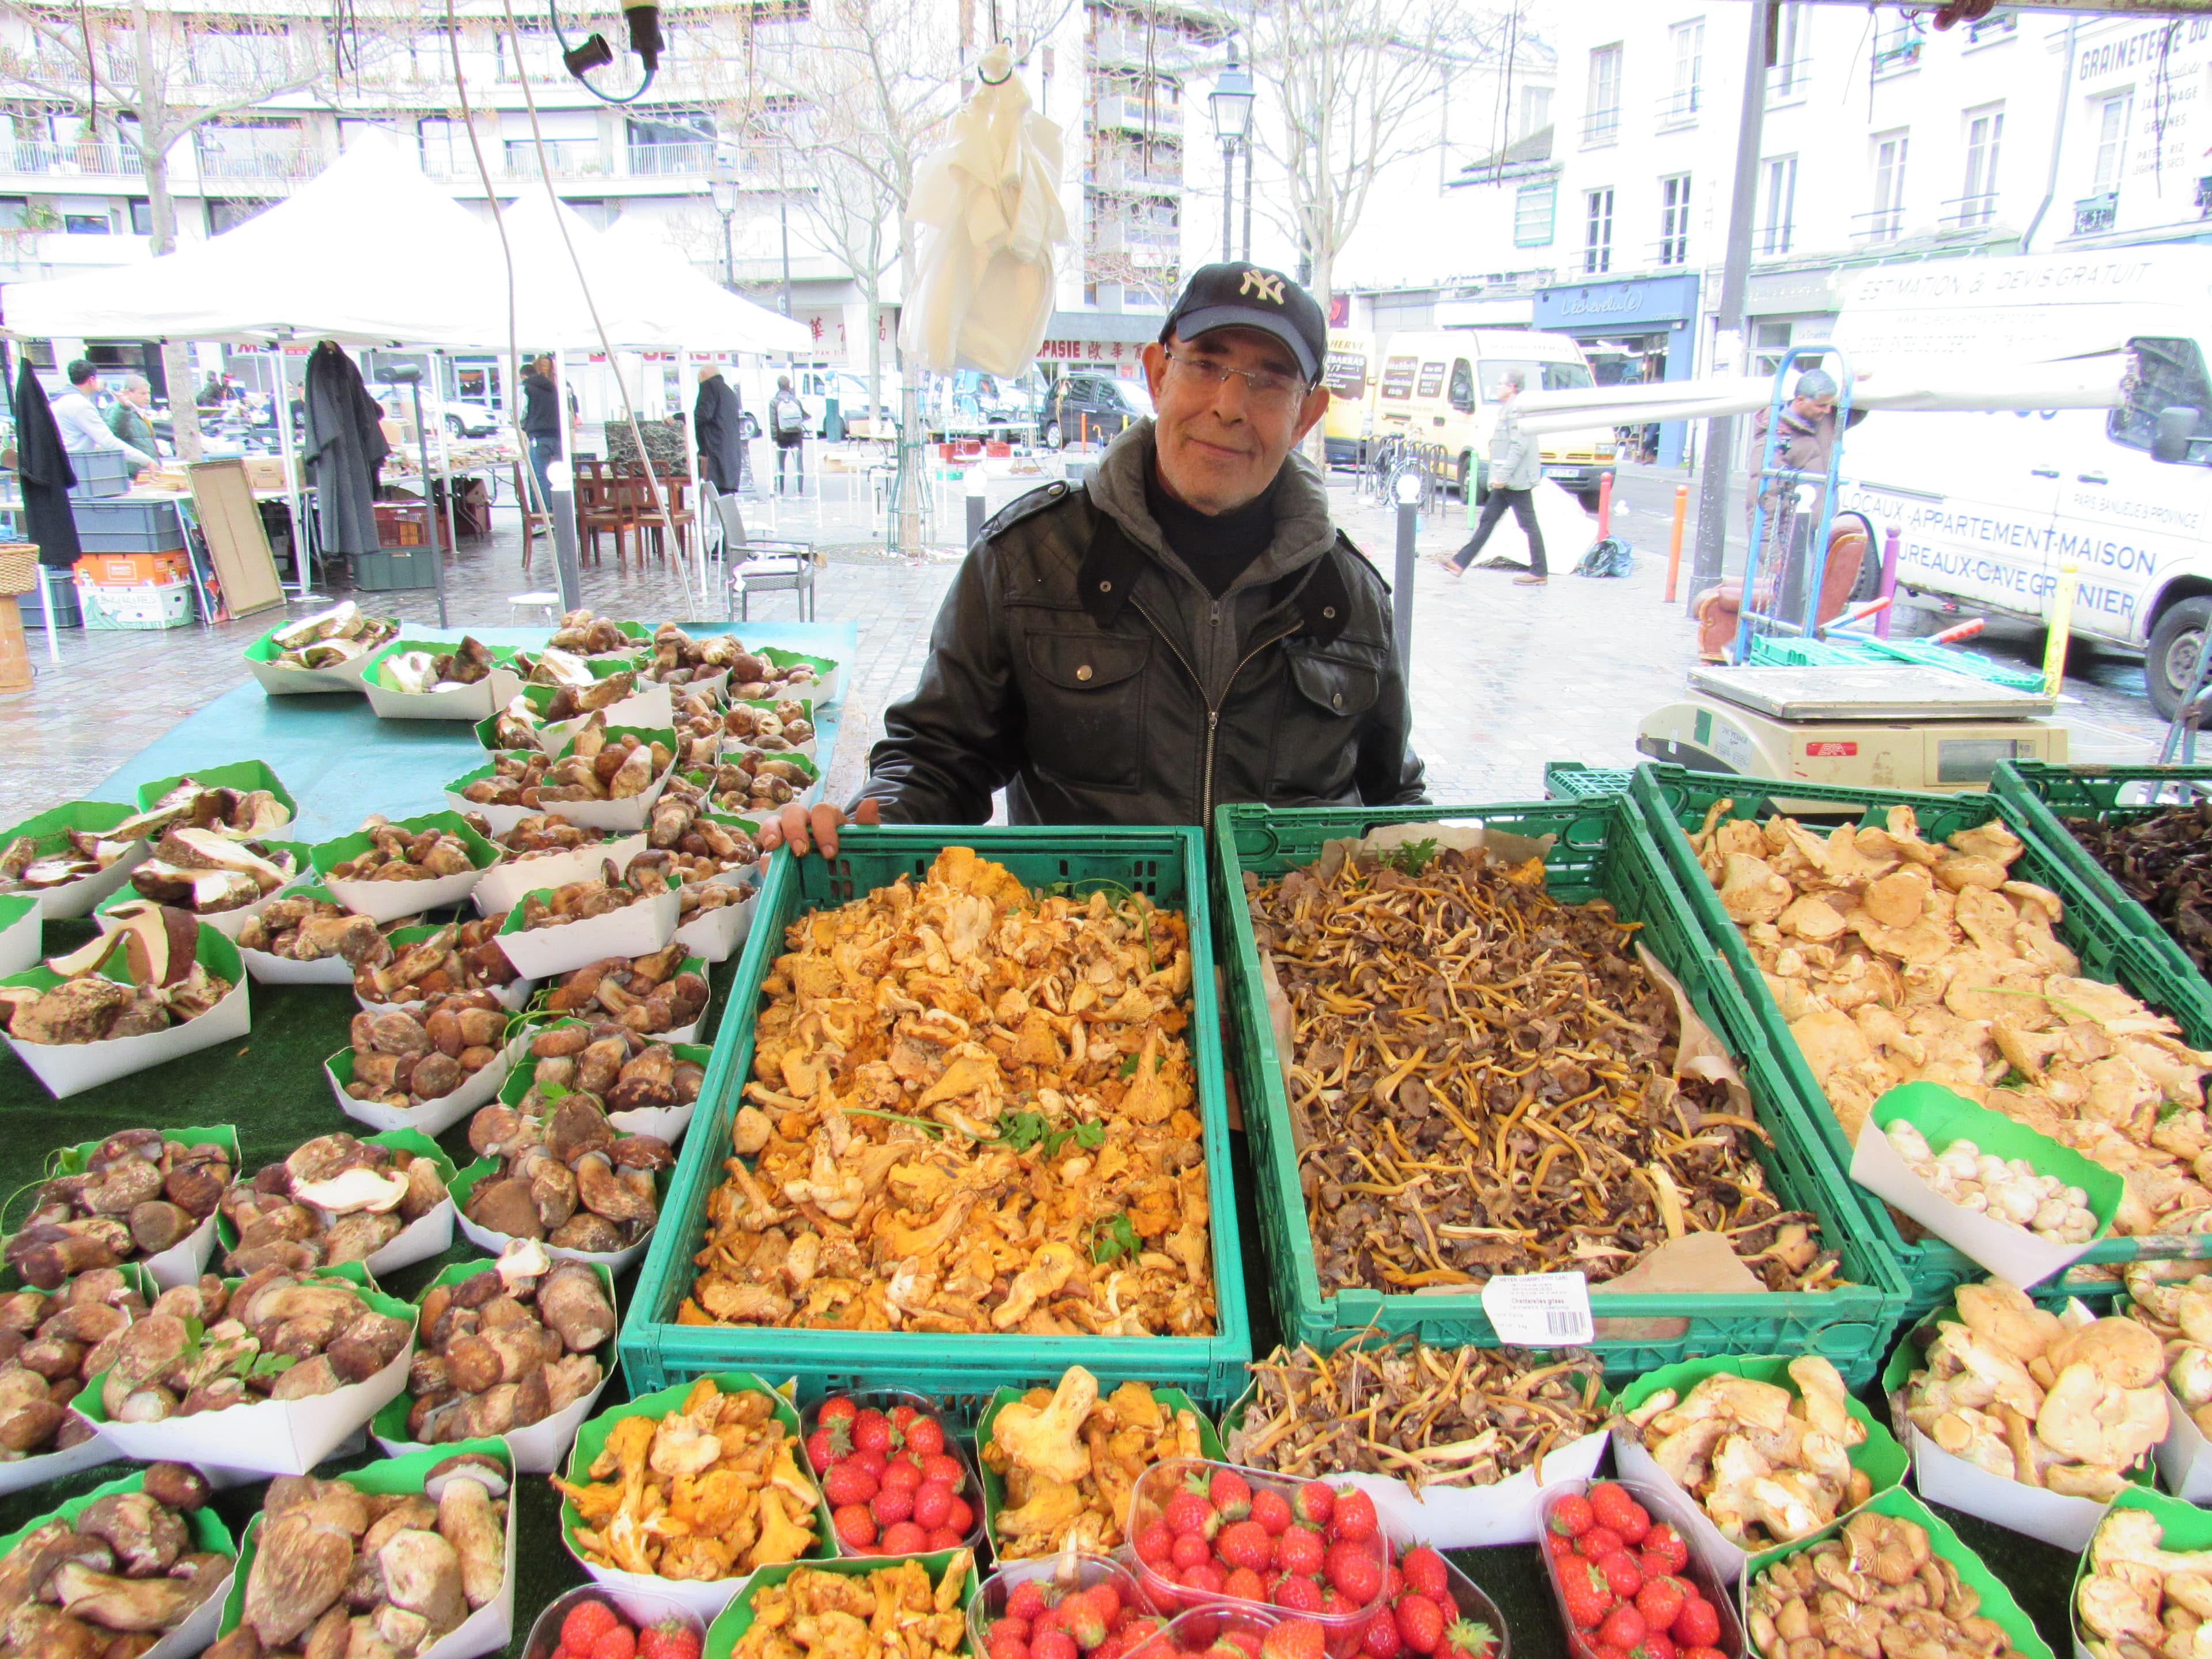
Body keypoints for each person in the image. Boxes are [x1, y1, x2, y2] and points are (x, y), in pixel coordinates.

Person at [759, 260, 1427, 858]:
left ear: (1307, 414)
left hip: (1286, 970)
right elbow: (939, 756)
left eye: (1268, 381)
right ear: (1158, 373)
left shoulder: (1353, 598)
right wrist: (871, 828)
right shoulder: (1025, 560)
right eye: (1205, 365)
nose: (1229, 406)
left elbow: (1395, 799)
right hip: (1084, 966)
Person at [1691, 366, 1870, 661]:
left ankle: (1759, 647)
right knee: (1789, 594)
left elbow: (1855, 413)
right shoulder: (1774, 439)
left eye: (1830, 405)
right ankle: (1744, 646)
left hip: (1812, 525)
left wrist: (1856, 385)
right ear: (1800, 400)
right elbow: (1763, 499)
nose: (1828, 410)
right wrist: (1767, 549)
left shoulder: (1823, 420)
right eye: (1821, 405)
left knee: (1799, 594)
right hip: (1788, 532)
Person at [1431, 369, 1546, 585]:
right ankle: (1459, 563)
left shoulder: (1516, 411)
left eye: (1500, 383)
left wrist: (1502, 476)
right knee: (1488, 521)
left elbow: (1518, 447)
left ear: (1511, 387)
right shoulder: (1509, 409)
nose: (1497, 387)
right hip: (1507, 481)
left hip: (1515, 481)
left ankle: (1539, 571)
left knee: (1528, 524)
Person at [51, 360, 152, 469]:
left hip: (64, 465)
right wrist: (147, 461)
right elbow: (108, 441)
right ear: (92, 380)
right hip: (76, 467)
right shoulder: (80, 405)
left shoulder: (59, 401)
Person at [693, 366, 747, 495]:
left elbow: (703, 414)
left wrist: (681, 419)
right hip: (730, 456)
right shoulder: (728, 391)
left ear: (703, 374)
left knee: (717, 498)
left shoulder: (709, 386)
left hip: (715, 454)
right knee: (724, 502)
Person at [520, 354, 560, 518]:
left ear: (523, 375)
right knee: (559, 476)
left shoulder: (526, 388)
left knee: (539, 476)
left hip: (538, 436)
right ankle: (561, 509)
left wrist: (524, 425)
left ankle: (544, 514)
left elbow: (521, 412)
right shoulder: (552, 387)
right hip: (557, 436)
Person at [103, 374, 160, 475]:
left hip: (145, 471)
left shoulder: (139, 411)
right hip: (132, 473)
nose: (147, 397)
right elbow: (117, 433)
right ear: (128, 393)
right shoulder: (117, 409)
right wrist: (123, 408)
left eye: (149, 393)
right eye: (142, 393)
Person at [768, 376, 808, 495]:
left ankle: (780, 490)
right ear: (789, 385)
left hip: (782, 436)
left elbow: (773, 422)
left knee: (780, 464)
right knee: (798, 463)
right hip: (796, 435)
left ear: (778, 386)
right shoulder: (796, 401)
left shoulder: (774, 402)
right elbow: (804, 415)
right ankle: (800, 490)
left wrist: (774, 439)